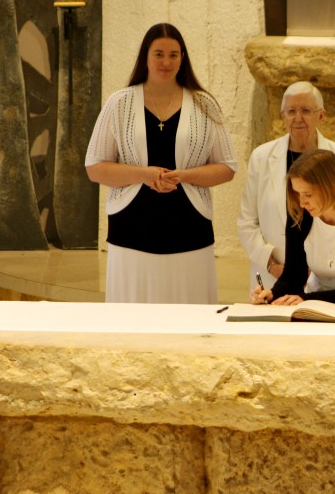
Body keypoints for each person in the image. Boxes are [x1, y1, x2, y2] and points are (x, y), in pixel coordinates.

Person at [85, 23, 237, 304]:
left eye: (173, 55)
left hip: (190, 230)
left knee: (189, 320)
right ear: (146, 57)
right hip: (131, 230)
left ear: (183, 59)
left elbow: (227, 166)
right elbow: (95, 167)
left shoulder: (204, 104)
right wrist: (144, 174)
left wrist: (184, 176)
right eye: (158, 54)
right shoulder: (119, 103)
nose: (166, 62)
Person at [238, 82, 335, 291]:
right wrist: (273, 265)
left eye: (306, 111)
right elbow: (247, 221)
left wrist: (319, 268)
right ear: (282, 115)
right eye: (291, 111)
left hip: (325, 276)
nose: (298, 118)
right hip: (272, 274)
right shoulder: (261, 157)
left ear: (321, 116)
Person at [252, 149, 335, 307]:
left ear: (333, 187)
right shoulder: (300, 215)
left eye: (308, 195)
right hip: (314, 309)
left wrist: (309, 299)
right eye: (297, 194)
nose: (302, 203)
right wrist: (272, 294)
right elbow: (294, 276)